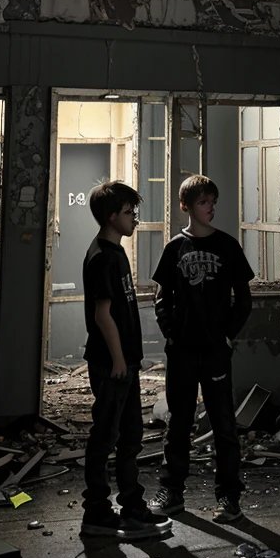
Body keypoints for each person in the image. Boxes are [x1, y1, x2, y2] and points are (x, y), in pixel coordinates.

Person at [149, 174, 255, 523]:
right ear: (186, 207)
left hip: (214, 350)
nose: (211, 207)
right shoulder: (174, 248)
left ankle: (228, 498)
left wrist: (227, 335)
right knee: (178, 424)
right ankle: (172, 492)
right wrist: (171, 334)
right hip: (181, 352)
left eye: (213, 201)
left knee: (224, 424)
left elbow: (244, 300)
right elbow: (161, 298)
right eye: (203, 202)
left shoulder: (227, 246)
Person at [80, 180, 172, 539]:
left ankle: (132, 507)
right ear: (111, 216)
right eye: (129, 212)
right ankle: (97, 513)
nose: (135, 218)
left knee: (130, 437)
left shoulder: (116, 253)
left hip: (125, 363)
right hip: (111, 363)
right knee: (105, 438)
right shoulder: (102, 255)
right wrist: (119, 360)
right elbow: (103, 315)